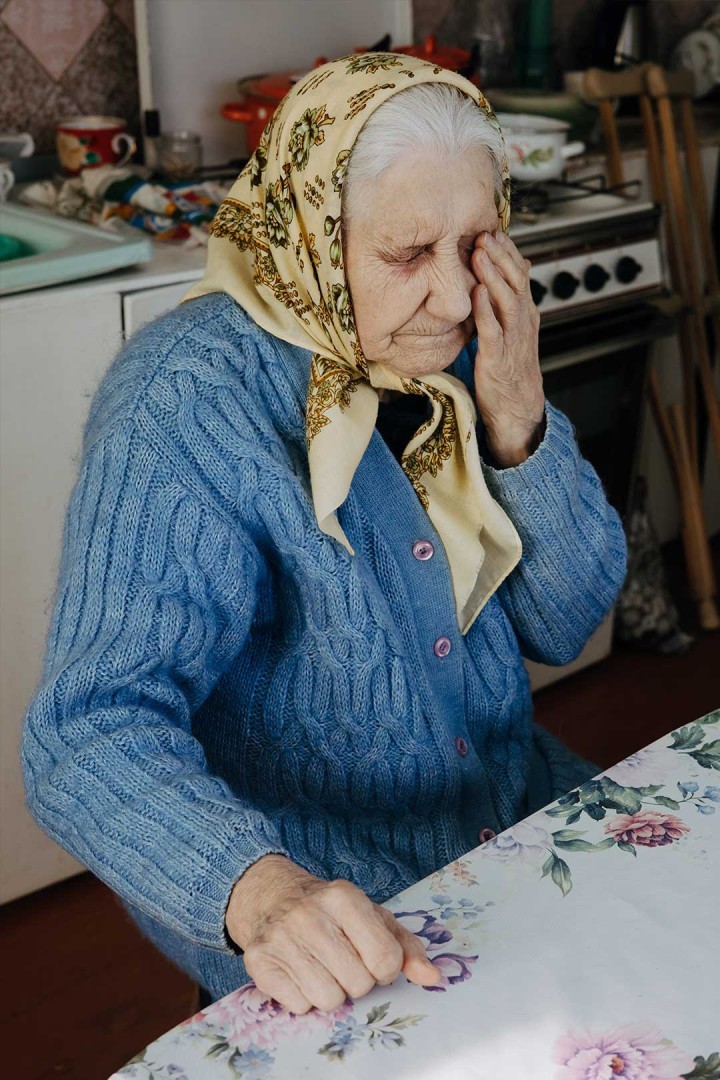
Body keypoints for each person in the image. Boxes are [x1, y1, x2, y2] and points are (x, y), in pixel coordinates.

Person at [22, 55, 627, 1012]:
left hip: (511, 825)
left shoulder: (466, 352)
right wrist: (262, 894)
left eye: (479, 242)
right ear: (307, 233)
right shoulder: (185, 405)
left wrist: (519, 424)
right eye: (406, 254)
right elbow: (85, 731)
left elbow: (570, 621)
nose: (462, 297)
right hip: (338, 910)